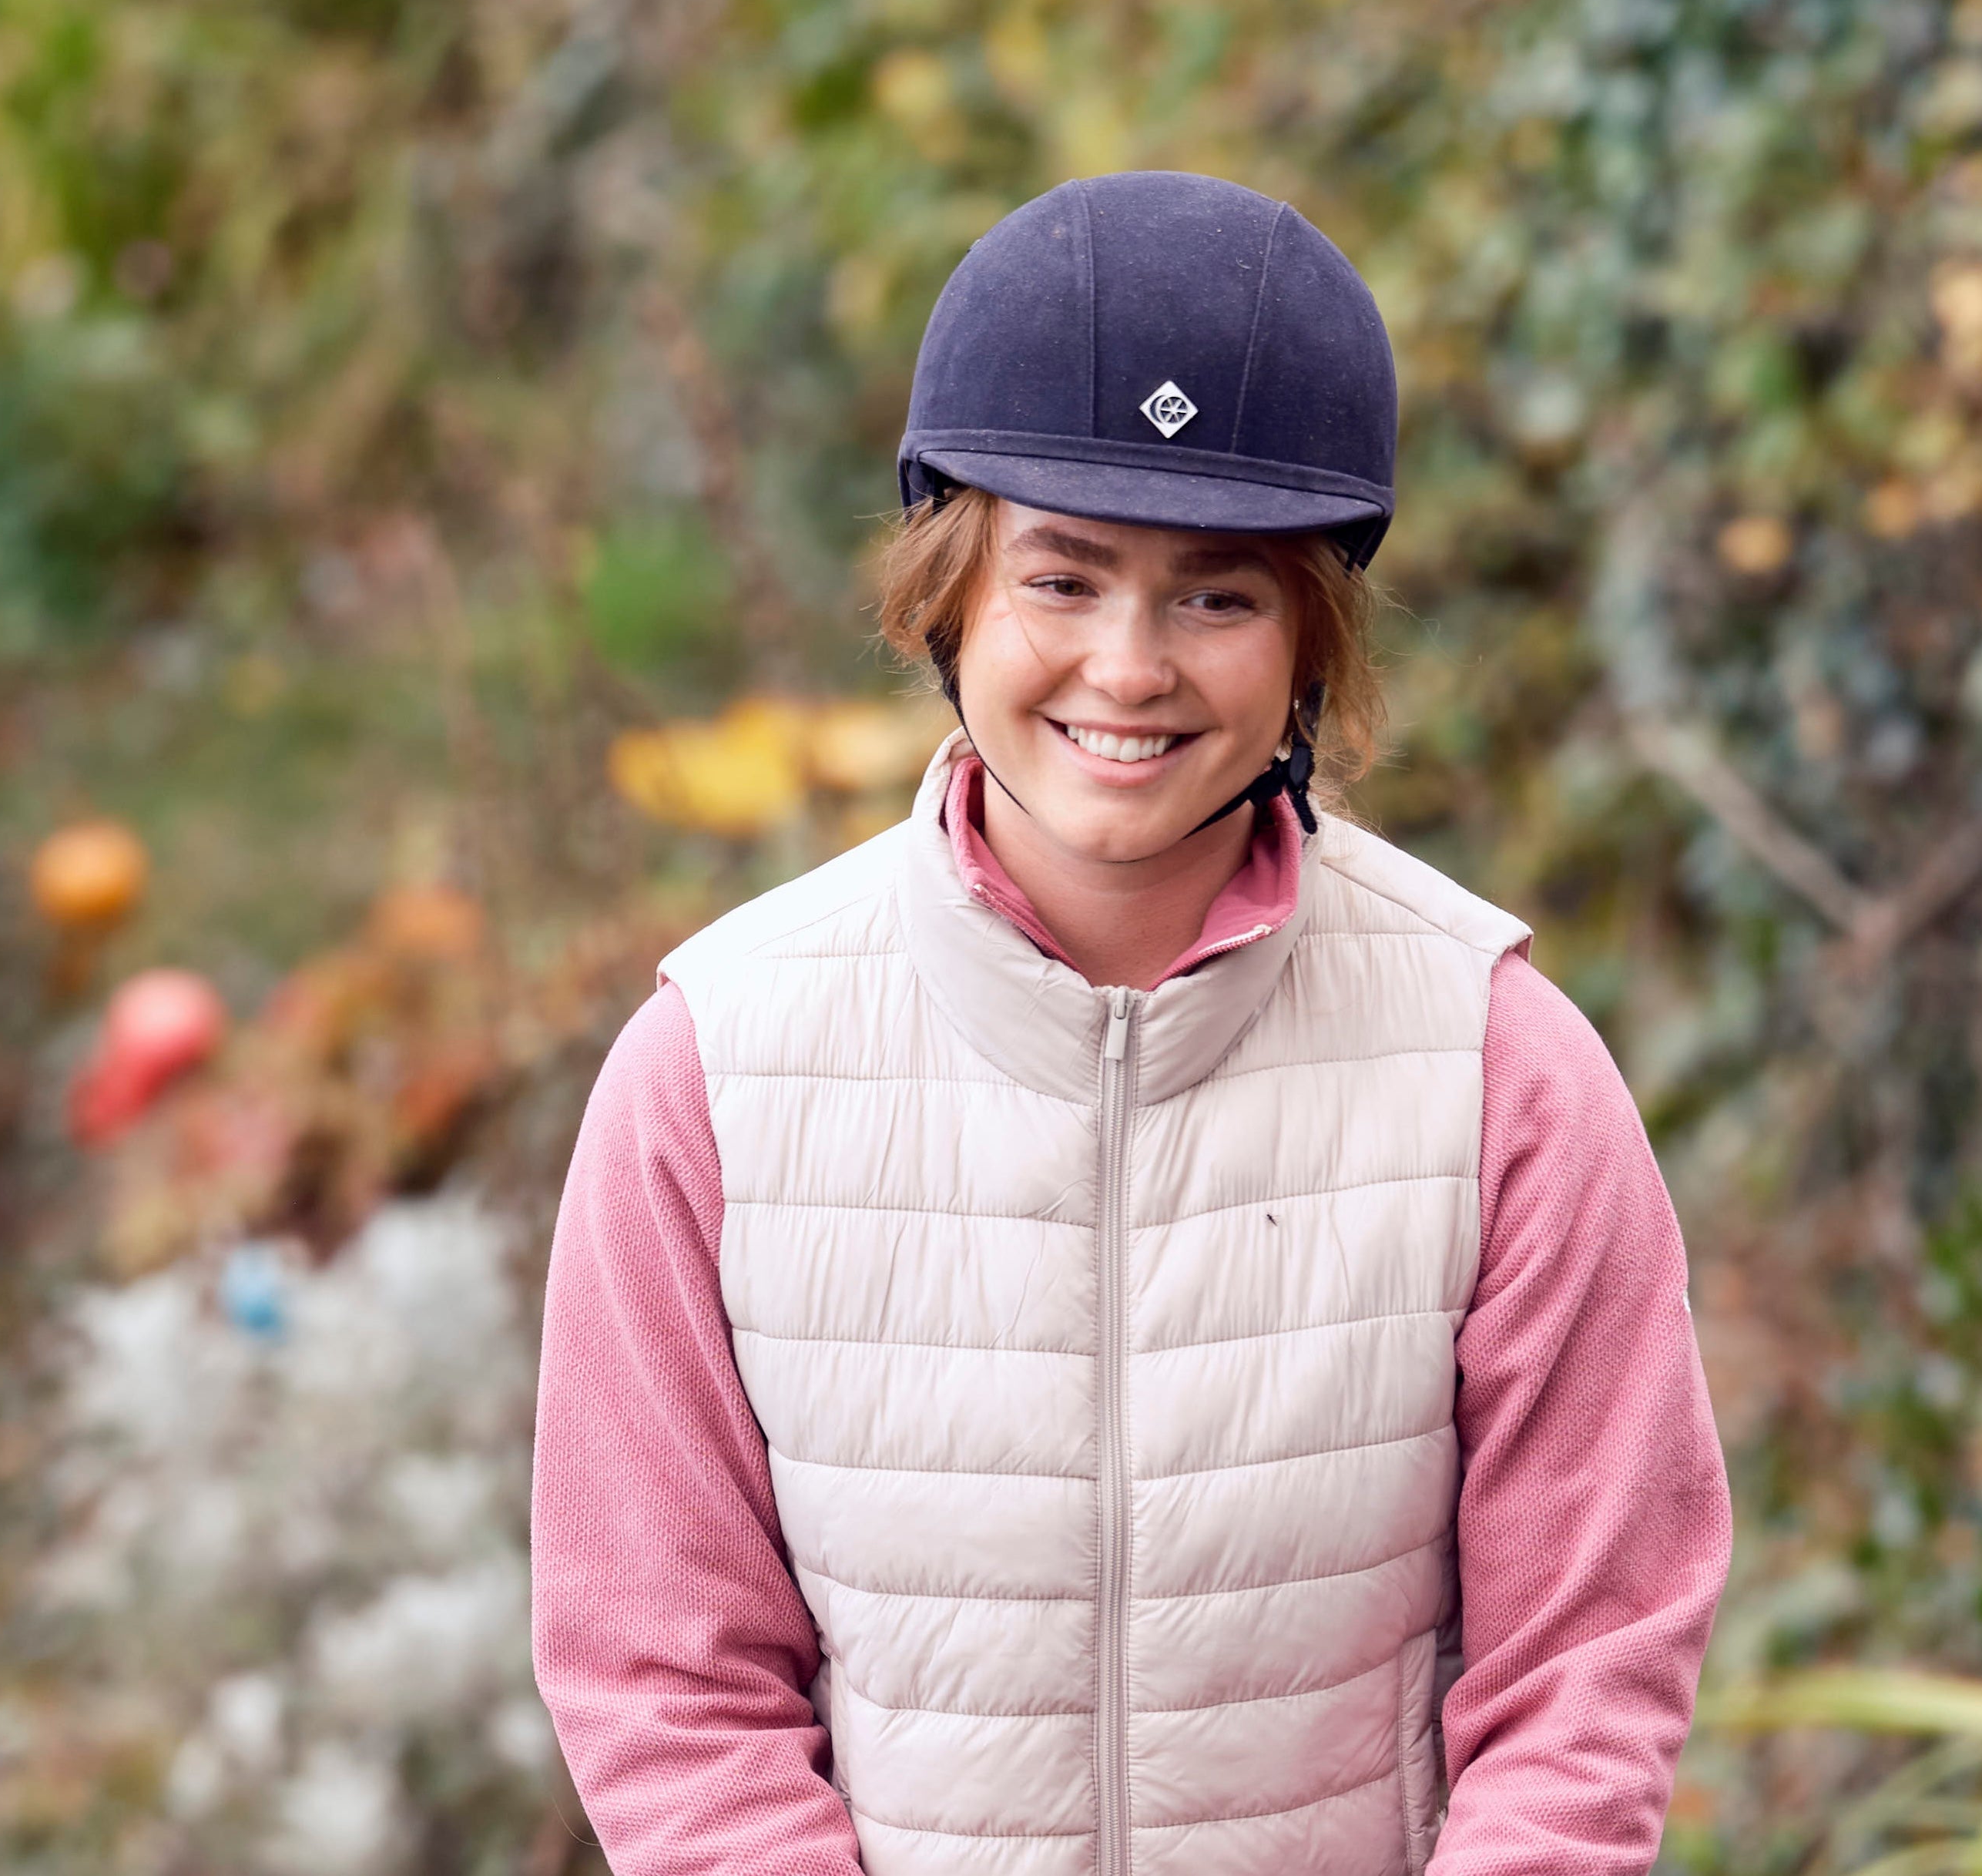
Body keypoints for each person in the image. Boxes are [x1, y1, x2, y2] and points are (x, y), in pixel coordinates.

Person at [532, 171, 1731, 1875]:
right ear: (947, 598)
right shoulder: (708, 1077)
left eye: (1218, 596)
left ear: (1310, 642)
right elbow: (661, 1675)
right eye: (1064, 579)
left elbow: (1586, 1660)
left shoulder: (1502, 1074)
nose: (1129, 667)